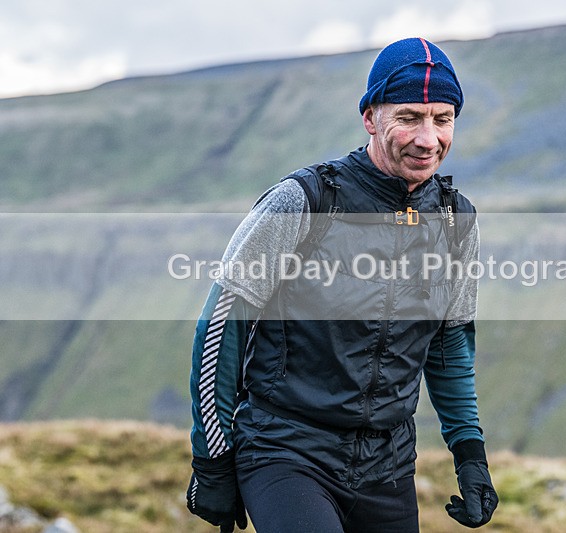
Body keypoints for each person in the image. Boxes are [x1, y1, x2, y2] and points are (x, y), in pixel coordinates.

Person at [186, 37, 499, 532]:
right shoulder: (305, 201)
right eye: (410, 118)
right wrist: (212, 461)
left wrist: (470, 454)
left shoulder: (455, 219)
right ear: (371, 117)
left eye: (442, 119)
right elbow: (221, 329)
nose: (428, 138)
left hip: (387, 467)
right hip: (287, 450)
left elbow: (449, 346)